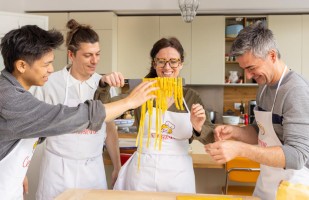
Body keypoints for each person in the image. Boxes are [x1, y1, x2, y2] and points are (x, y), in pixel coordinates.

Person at [0, 25, 157, 200]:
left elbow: (30, 132)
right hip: (53, 172)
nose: (51, 69)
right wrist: (129, 101)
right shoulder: (11, 98)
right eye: (46, 64)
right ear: (22, 65)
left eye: (97, 54)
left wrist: (19, 171)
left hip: (88, 168)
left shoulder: (9, 90)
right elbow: (62, 118)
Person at [95, 37, 214, 193]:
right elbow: (102, 113)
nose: (167, 67)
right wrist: (104, 86)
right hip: (142, 173)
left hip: (178, 176)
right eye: (161, 61)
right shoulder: (141, 91)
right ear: (154, 63)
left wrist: (198, 128)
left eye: (173, 61)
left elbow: (211, 138)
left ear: (181, 64)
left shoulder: (190, 97)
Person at [205, 21, 309, 200]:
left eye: (251, 68)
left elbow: (298, 156)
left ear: (272, 56)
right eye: (244, 69)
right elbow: (259, 131)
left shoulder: (295, 90)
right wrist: (235, 132)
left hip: (292, 190)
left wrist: (239, 149)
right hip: (266, 186)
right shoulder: (264, 86)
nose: (248, 76)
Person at [30, 19, 121, 200]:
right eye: (88, 55)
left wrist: (118, 167)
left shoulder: (105, 85)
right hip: (57, 171)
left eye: (97, 54)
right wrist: (20, 171)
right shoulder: (50, 83)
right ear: (71, 55)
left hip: (93, 169)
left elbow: (110, 129)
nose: (94, 60)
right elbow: (31, 131)